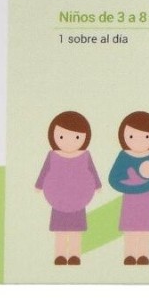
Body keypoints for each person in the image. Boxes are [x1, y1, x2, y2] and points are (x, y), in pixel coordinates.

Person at [35, 111, 100, 265]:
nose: (69, 141)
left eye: (76, 137)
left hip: (78, 199)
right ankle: (60, 255)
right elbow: (45, 171)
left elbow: (92, 171)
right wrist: (39, 185)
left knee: (76, 230)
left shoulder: (85, 155)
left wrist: (97, 185)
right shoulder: (52, 155)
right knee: (60, 230)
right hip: (58, 200)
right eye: (62, 137)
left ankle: (74, 255)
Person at [107, 110, 149, 266]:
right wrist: (130, 185)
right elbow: (113, 179)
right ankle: (129, 255)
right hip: (129, 201)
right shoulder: (124, 155)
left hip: (146, 200)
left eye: (146, 137)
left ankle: (143, 255)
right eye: (132, 136)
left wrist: (143, 185)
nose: (138, 141)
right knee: (130, 229)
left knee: (144, 229)